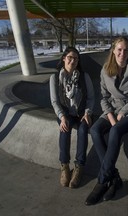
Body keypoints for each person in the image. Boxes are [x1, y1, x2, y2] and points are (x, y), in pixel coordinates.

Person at [85, 36, 128, 205]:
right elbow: (103, 97)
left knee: (116, 130)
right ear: (113, 50)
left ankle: (103, 180)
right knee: (95, 130)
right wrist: (110, 115)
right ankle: (115, 177)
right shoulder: (105, 69)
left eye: (126, 50)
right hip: (112, 109)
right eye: (119, 49)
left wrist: (122, 113)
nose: (122, 53)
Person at [49, 46, 95, 188]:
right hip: (65, 113)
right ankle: (64, 166)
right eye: (70, 57)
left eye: (75, 58)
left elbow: (91, 98)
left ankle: (79, 167)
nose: (73, 60)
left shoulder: (84, 76)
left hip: (81, 112)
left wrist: (87, 112)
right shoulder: (55, 78)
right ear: (64, 58)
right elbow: (55, 101)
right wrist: (62, 117)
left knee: (82, 130)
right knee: (65, 128)